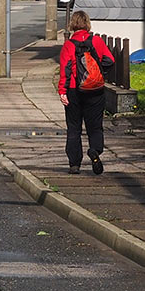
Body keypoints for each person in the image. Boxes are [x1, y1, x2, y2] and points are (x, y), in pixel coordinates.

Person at [57, 10, 115, 175]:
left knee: (74, 127)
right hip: (95, 90)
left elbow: (65, 70)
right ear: (87, 23)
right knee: (95, 126)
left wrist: (62, 91)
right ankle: (95, 150)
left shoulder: (69, 45)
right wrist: (98, 73)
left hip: (74, 90)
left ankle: (74, 164)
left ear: (73, 24)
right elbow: (110, 60)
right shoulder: (96, 41)